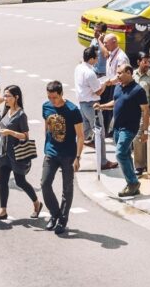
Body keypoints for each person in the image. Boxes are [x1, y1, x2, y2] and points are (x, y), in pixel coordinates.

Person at [0, 85, 41, 221]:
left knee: (20, 182)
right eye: (4, 96)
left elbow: (25, 136)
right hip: (3, 153)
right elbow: (4, 127)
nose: (5, 98)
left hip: (16, 154)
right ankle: (2, 210)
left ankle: (37, 203)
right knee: (3, 182)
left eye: (8, 96)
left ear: (16, 97)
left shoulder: (21, 115)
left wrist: (10, 132)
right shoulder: (7, 111)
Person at [94, 64, 149, 198]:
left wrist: (145, 131)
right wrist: (101, 106)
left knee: (119, 154)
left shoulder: (138, 90)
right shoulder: (118, 87)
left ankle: (132, 183)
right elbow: (115, 102)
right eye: (117, 73)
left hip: (129, 128)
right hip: (117, 128)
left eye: (120, 73)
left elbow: (146, 110)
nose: (117, 76)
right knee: (125, 154)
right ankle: (132, 186)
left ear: (129, 73)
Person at [42, 80, 83, 235]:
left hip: (68, 155)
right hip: (51, 153)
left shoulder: (72, 110)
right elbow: (46, 126)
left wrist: (78, 157)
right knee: (45, 183)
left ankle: (62, 220)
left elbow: (80, 136)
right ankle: (55, 213)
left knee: (67, 188)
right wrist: (46, 146)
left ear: (61, 94)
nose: (52, 100)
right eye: (49, 97)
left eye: (54, 97)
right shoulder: (46, 106)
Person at [74, 46, 111, 169]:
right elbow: (98, 92)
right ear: (91, 59)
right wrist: (105, 83)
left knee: (81, 134)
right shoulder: (90, 73)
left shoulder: (79, 67)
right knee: (100, 134)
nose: (97, 60)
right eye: (96, 58)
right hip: (92, 106)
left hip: (82, 105)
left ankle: (71, 158)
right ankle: (103, 162)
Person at [132, 52, 150, 174]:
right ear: (138, 62)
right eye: (145, 61)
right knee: (136, 138)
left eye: (149, 61)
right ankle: (140, 164)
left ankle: (141, 165)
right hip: (133, 110)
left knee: (142, 136)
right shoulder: (132, 75)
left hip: (145, 111)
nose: (147, 64)